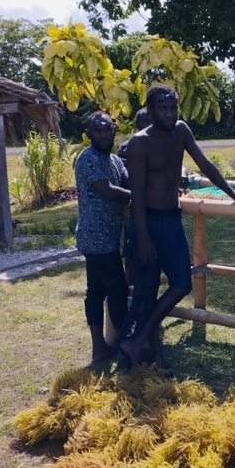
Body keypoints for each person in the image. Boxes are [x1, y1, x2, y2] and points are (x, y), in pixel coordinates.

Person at [120, 84, 235, 366]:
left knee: (181, 283)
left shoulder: (181, 130)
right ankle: (151, 350)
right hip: (148, 222)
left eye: (172, 108)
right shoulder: (139, 143)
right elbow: (137, 195)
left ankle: (136, 340)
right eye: (162, 108)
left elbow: (205, 164)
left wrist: (234, 195)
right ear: (151, 110)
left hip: (171, 220)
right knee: (147, 287)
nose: (169, 114)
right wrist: (142, 237)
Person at [74, 111, 131, 362]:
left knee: (96, 291)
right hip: (95, 238)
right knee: (117, 289)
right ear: (87, 134)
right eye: (96, 130)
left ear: (114, 130)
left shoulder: (116, 161)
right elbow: (108, 191)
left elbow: (128, 183)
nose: (102, 133)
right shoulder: (87, 158)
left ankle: (100, 348)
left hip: (108, 236)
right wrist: (140, 194)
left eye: (106, 128)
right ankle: (123, 342)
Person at [117, 107, 153, 284]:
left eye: (152, 121)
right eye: (146, 121)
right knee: (132, 250)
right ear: (138, 125)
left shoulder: (162, 145)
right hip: (134, 210)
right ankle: (131, 287)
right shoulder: (127, 148)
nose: (150, 125)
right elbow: (128, 179)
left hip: (156, 209)